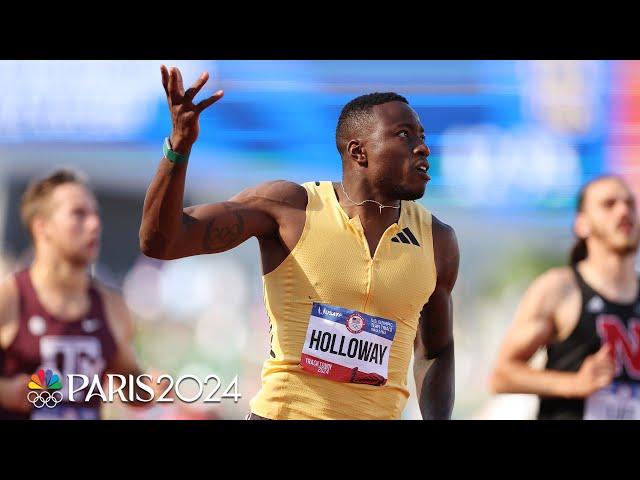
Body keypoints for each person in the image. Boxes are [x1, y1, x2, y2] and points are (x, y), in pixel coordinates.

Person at [139, 65, 459, 420]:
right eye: (405, 135)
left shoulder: (437, 241)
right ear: (359, 152)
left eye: (422, 135)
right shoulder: (290, 208)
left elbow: (436, 350)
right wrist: (178, 149)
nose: (423, 148)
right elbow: (161, 243)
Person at [0, 170, 157, 419]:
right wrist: (7, 392)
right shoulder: (9, 298)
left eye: (96, 214)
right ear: (42, 227)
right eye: (79, 214)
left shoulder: (112, 306)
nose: (94, 224)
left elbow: (132, 388)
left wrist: (151, 388)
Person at [490, 175, 640, 420]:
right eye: (609, 204)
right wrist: (574, 384)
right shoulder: (560, 288)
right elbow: (501, 376)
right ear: (582, 224)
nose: (623, 211)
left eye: (630, 203)